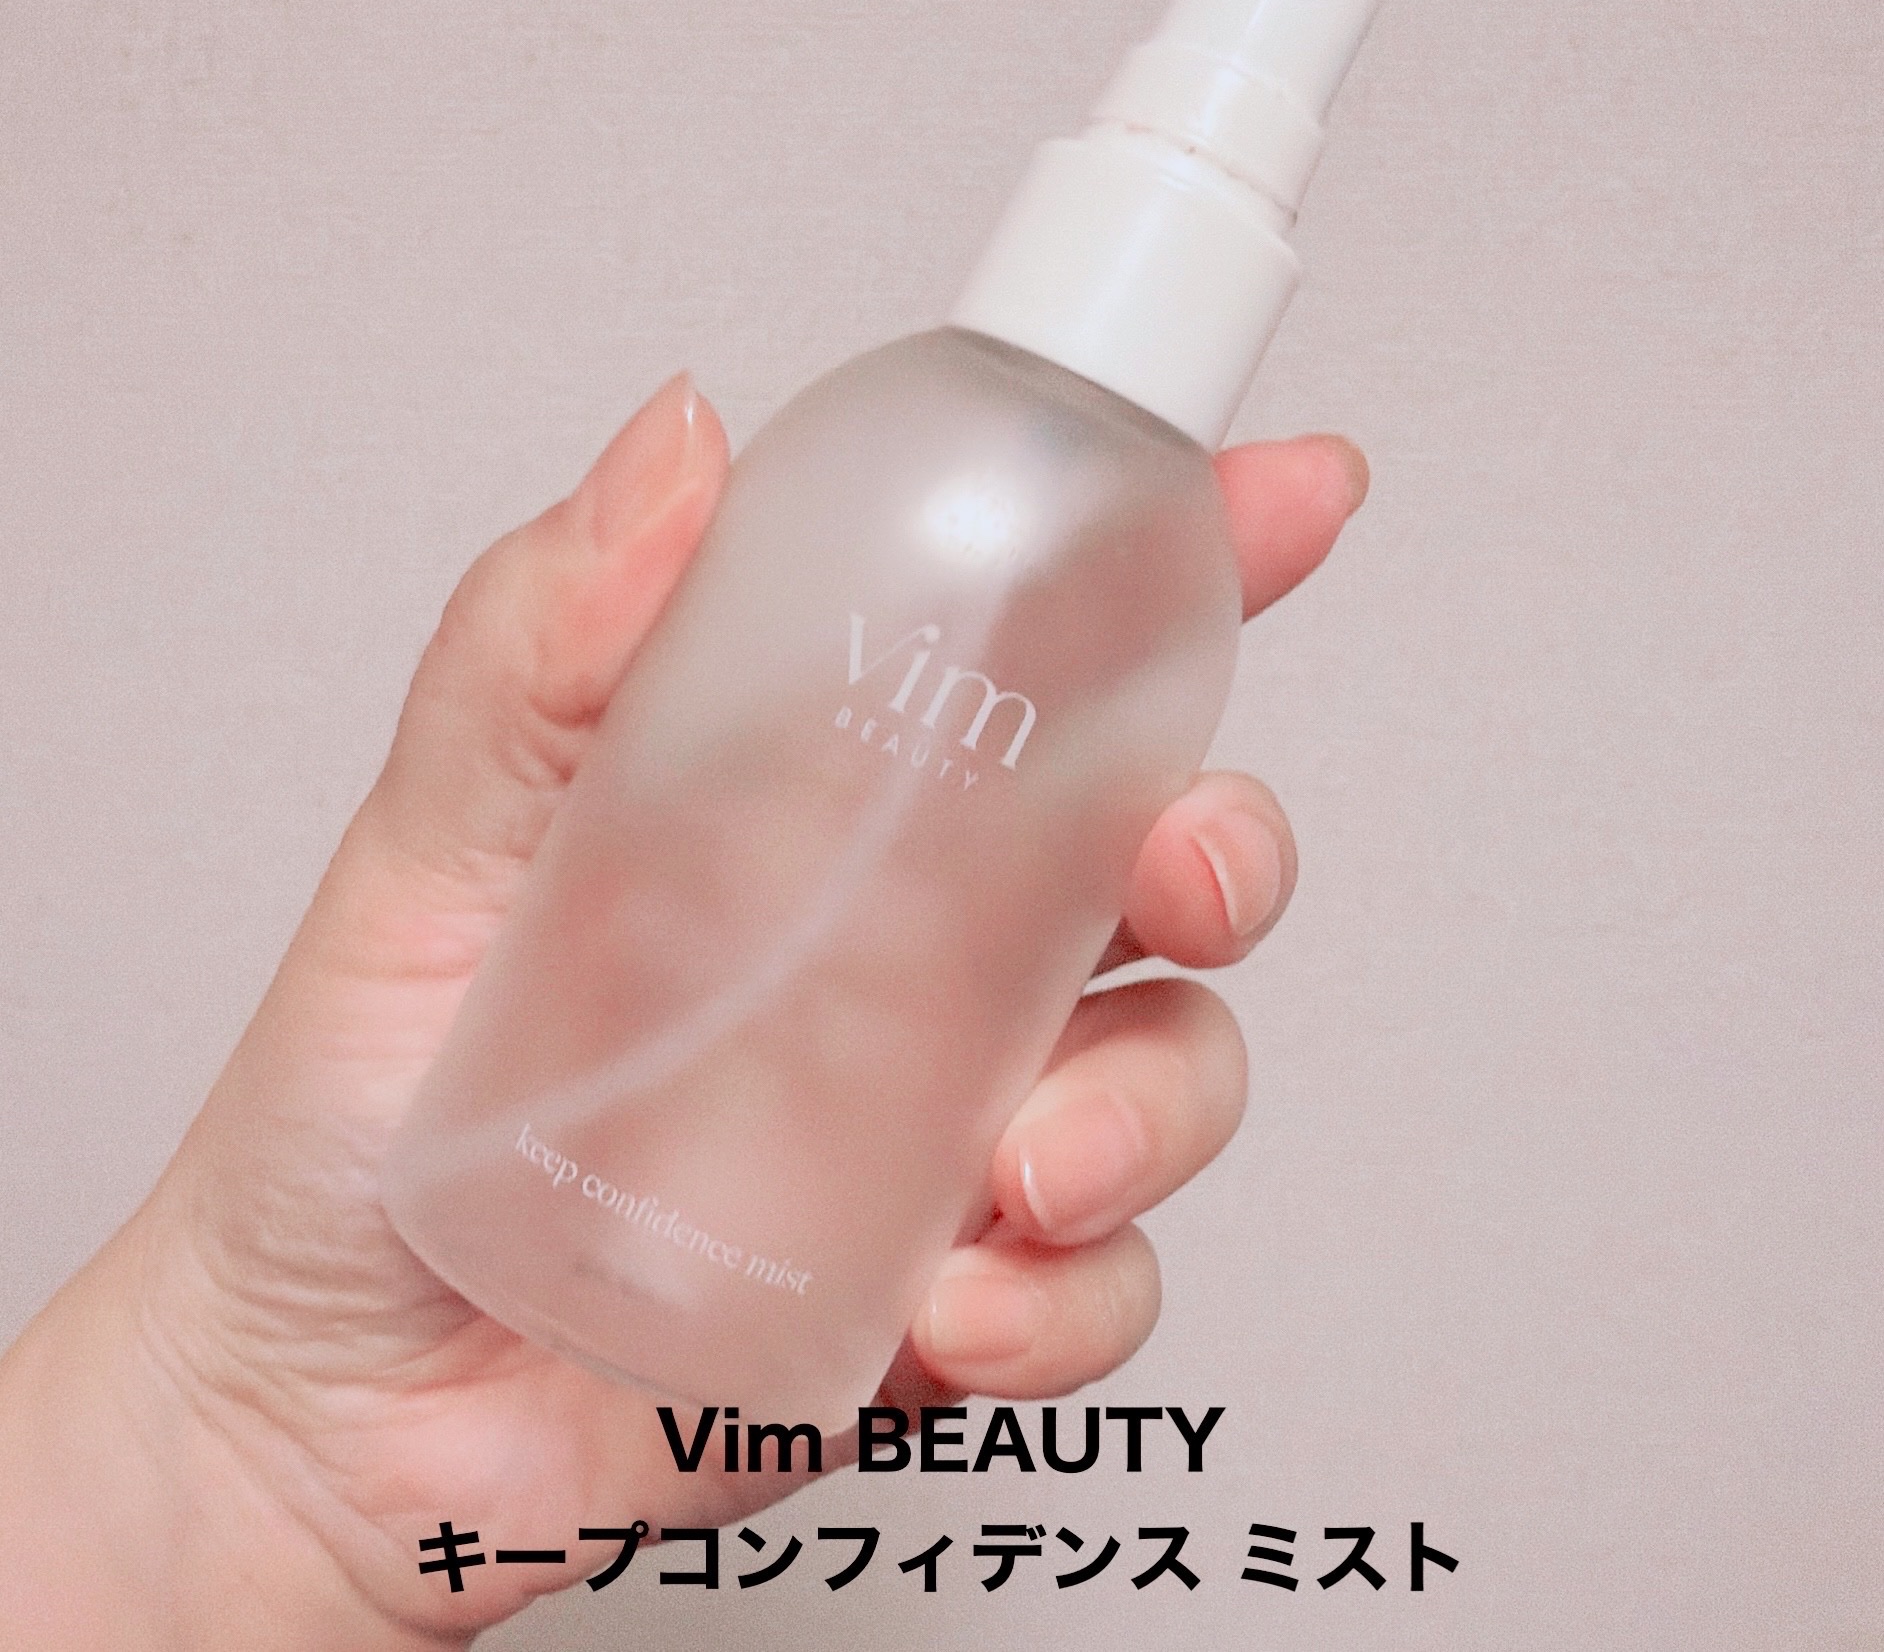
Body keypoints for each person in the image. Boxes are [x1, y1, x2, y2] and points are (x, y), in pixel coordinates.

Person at [0, 373, 1367, 1647]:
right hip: (441, 1240)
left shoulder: (1162, 563)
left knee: (1064, 1046)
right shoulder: (900, 420)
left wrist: (272, 1482)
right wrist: (243, 1422)